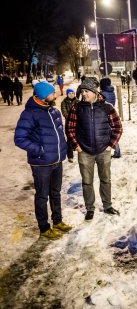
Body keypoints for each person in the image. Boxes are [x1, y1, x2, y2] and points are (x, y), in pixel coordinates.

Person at [14, 82, 72, 239]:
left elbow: (60, 135)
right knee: (42, 196)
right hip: (41, 164)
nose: (55, 95)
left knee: (55, 193)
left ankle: (57, 221)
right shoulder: (30, 114)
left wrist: (66, 149)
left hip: (57, 161)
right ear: (42, 96)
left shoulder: (54, 111)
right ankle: (44, 227)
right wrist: (39, 150)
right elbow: (19, 139)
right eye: (52, 93)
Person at [66, 77, 123, 221]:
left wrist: (111, 145)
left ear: (95, 92)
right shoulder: (77, 108)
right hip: (84, 152)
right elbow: (70, 128)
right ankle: (90, 208)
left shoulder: (107, 107)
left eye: (87, 91)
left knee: (106, 179)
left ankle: (107, 205)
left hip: (104, 150)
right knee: (87, 182)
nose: (84, 94)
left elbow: (117, 127)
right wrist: (76, 146)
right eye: (82, 91)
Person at [100, 78, 121, 158]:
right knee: (112, 133)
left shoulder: (102, 93)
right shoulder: (111, 91)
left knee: (108, 134)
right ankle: (117, 151)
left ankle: (116, 151)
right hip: (111, 113)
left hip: (104, 114)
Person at [61, 88, 79, 162]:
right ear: (67, 94)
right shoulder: (64, 102)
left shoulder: (78, 102)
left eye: (72, 93)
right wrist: (70, 117)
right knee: (69, 139)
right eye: (69, 93)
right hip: (69, 123)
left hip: (78, 123)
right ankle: (70, 156)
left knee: (78, 137)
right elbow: (64, 111)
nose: (71, 95)